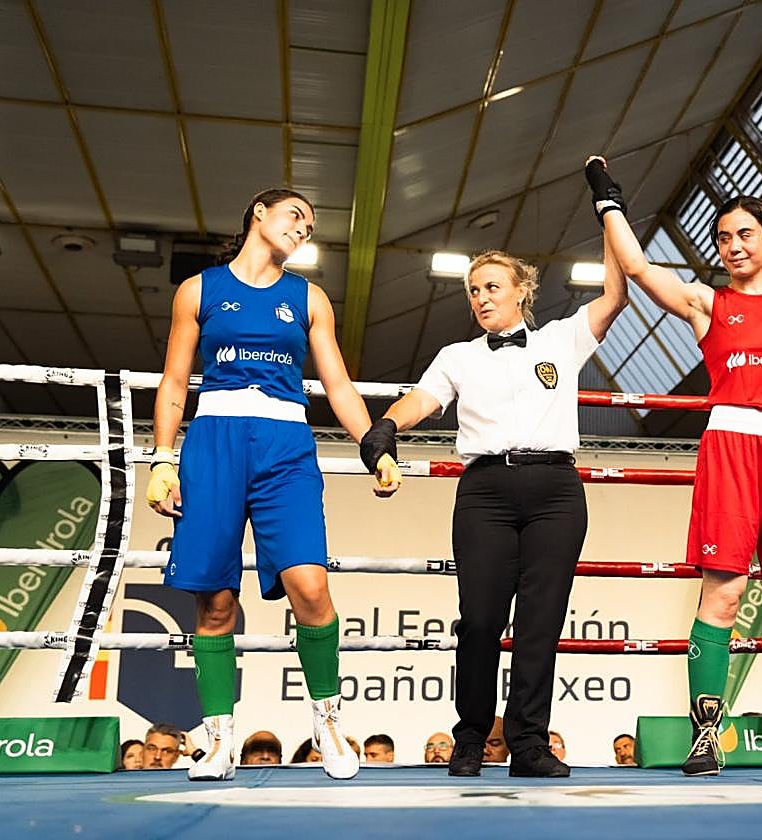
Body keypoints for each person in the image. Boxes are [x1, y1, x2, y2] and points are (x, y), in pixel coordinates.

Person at [588, 158, 762, 777]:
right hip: (731, 446)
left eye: (744, 234)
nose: (733, 246)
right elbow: (635, 267)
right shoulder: (707, 303)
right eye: (723, 237)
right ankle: (705, 736)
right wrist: (608, 202)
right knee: (726, 596)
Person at [146, 187, 402, 783]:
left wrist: (375, 448)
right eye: (296, 217)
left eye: (310, 227)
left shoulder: (309, 298)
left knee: (310, 587)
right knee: (214, 600)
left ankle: (328, 720)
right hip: (213, 442)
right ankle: (217, 739)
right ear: (257, 213)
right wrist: (161, 459)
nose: (303, 230)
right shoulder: (200, 290)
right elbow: (175, 380)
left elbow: (337, 384)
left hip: (286, 446)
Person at [359, 242, 627, 779]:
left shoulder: (561, 338)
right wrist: (386, 426)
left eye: (492, 287)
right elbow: (423, 398)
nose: (481, 298)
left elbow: (616, 297)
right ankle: (472, 738)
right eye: (474, 290)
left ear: (523, 291)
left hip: (555, 489)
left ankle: (528, 744)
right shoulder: (458, 356)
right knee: (479, 621)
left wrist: (608, 212)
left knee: (539, 624)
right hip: (485, 491)